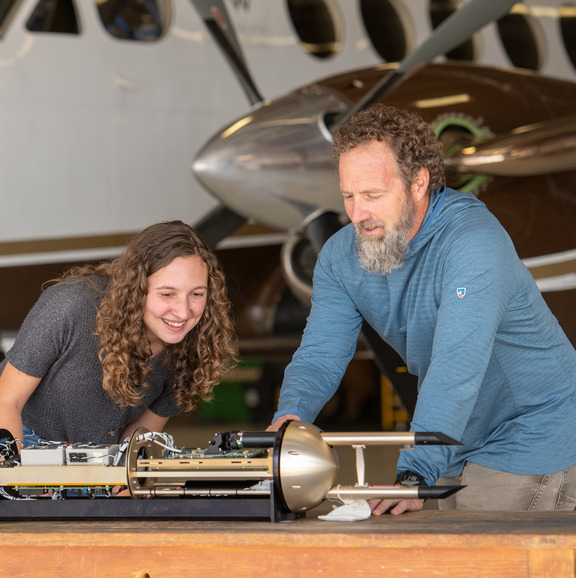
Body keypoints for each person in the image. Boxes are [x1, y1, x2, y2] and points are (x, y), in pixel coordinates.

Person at [268, 103, 576, 513]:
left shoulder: (473, 243)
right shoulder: (340, 257)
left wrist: (414, 473)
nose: (358, 214)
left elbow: (456, 365)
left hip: (536, 427)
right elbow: (321, 353)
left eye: (373, 195)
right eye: (348, 196)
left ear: (418, 183)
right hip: (454, 433)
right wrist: (289, 416)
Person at [0, 220, 237, 450]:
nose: (183, 311)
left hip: (97, 463)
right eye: (167, 294)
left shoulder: (193, 345)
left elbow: (141, 439)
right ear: (136, 289)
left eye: (197, 294)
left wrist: (122, 485)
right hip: (20, 441)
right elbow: (6, 401)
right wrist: (19, 478)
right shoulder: (69, 305)